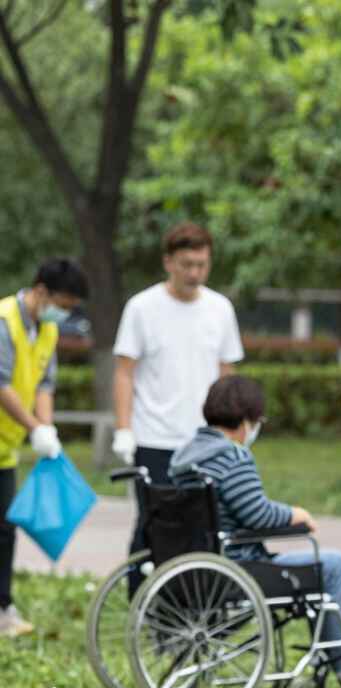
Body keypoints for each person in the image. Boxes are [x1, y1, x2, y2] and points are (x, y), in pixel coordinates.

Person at [169, 375, 341, 688]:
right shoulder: (233, 456)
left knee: (321, 566)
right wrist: (298, 515)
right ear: (245, 419)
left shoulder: (184, 457)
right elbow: (259, 516)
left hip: (196, 564)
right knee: (331, 564)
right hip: (239, 568)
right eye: (257, 420)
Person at [112, 222, 244, 580]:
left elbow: (226, 375)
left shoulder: (219, 309)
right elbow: (125, 373)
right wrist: (124, 430)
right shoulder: (142, 308)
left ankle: (192, 619)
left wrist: (233, 430)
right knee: (153, 529)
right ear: (168, 262)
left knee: (205, 529)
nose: (195, 273)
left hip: (204, 443)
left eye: (202, 264)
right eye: (187, 264)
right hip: (155, 439)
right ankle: (142, 610)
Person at [0, 256, 88, 638]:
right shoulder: (4, 321)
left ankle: (3, 608)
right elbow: (1, 383)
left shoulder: (47, 330)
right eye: (62, 305)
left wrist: (46, 429)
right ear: (41, 292)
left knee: (5, 528)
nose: (63, 314)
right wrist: (35, 426)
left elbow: (44, 385)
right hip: (11, 434)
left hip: (5, 447)